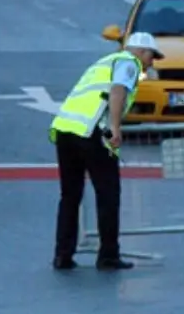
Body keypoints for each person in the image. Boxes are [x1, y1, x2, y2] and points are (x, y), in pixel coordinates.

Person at [49, 32, 164, 271]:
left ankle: (63, 254)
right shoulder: (129, 63)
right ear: (141, 52)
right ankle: (108, 255)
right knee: (108, 194)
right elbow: (118, 91)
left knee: (70, 196)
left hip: (65, 130)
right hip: (93, 132)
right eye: (152, 56)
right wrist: (114, 128)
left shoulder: (104, 62)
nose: (152, 63)